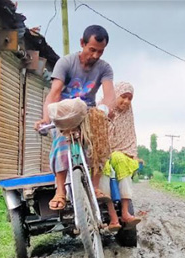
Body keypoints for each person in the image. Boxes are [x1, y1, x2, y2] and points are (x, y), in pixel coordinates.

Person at [34, 25, 116, 210]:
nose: (95, 55)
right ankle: (60, 191)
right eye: (92, 50)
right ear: (82, 43)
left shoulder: (105, 68)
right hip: (64, 112)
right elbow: (54, 93)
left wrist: (104, 109)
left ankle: (95, 187)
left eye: (100, 52)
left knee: (99, 142)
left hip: (88, 114)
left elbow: (110, 95)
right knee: (62, 142)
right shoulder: (66, 62)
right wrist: (47, 119)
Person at [99, 82, 142, 231]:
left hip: (119, 153)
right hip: (101, 152)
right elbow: (95, 135)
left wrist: (133, 155)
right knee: (103, 165)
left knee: (119, 158)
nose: (126, 102)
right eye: (123, 97)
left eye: (130, 99)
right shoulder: (101, 109)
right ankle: (113, 217)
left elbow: (131, 138)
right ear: (116, 94)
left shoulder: (128, 114)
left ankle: (125, 212)